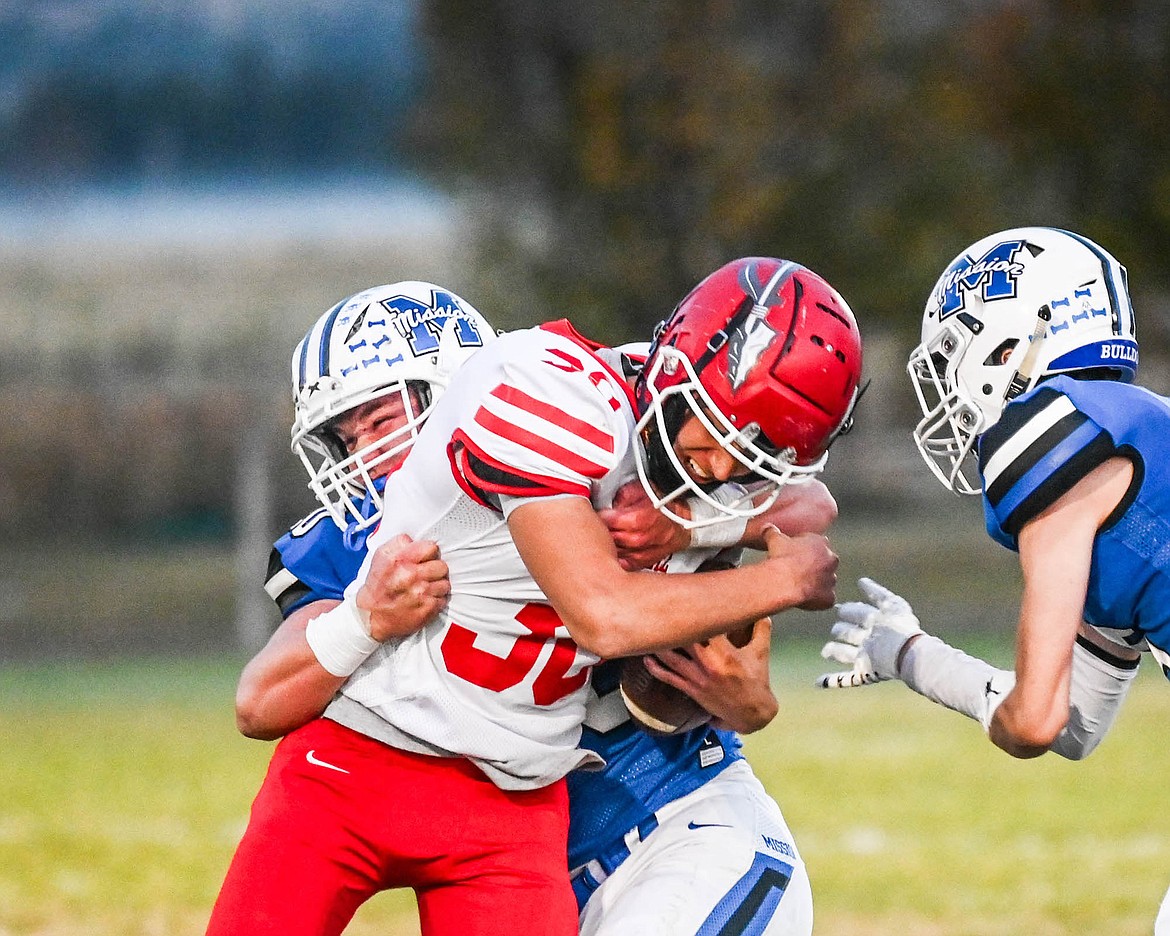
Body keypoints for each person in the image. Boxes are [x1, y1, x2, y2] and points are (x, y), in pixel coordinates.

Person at [208, 257, 864, 936]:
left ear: (453, 387)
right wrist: (365, 617)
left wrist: (685, 526)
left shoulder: (630, 432)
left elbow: (802, 498)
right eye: (346, 439)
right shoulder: (366, 547)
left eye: (379, 423)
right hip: (506, 825)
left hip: (645, 814)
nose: (364, 458)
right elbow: (260, 701)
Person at [816, 225, 1169, 933]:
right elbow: (1071, 727)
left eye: (957, 351)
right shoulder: (1131, 451)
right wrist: (911, 655)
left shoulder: (1056, 431)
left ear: (1016, 341)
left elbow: (1034, 722)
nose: (951, 384)